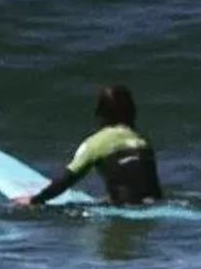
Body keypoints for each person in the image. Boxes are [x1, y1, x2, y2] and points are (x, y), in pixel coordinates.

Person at [13, 84, 163, 207]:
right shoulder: (142, 141)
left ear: (100, 113)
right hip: (156, 204)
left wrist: (35, 200)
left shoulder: (95, 143)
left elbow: (66, 181)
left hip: (125, 208)